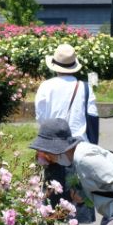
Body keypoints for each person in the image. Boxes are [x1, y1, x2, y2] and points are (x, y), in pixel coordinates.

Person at [34, 44, 98, 196]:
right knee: (78, 201)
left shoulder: (46, 86)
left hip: (51, 150)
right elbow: (93, 119)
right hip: (78, 149)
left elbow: (41, 118)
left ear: (54, 66)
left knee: (52, 201)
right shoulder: (85, 87)